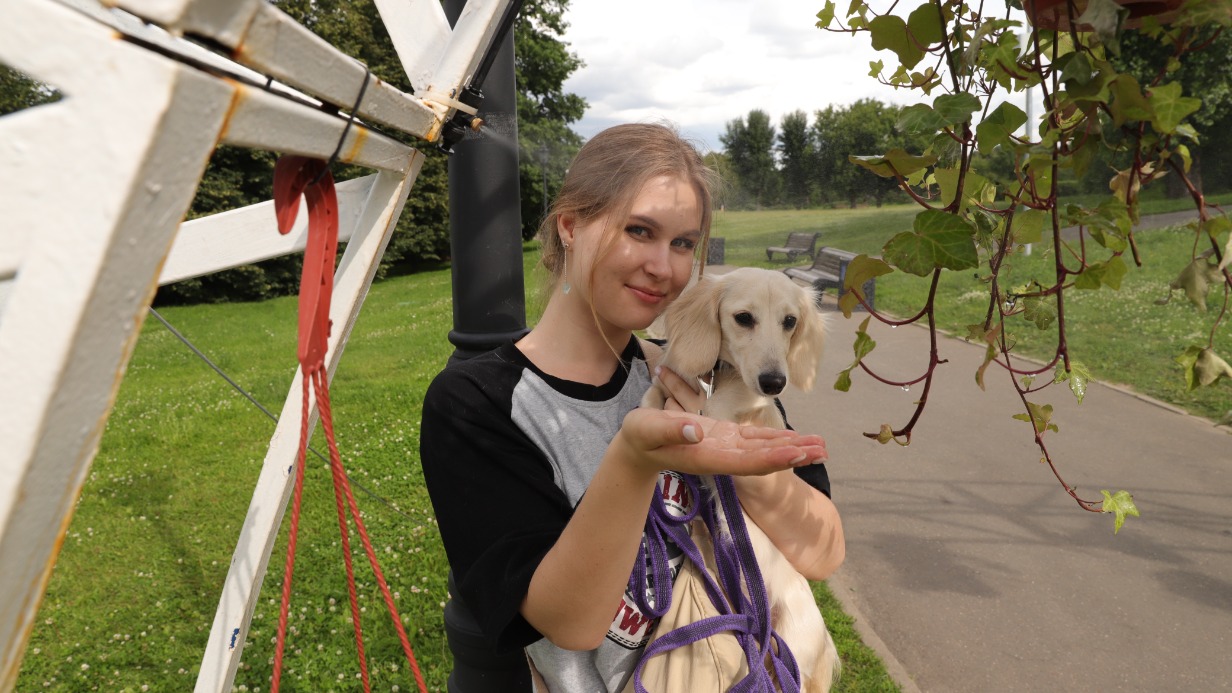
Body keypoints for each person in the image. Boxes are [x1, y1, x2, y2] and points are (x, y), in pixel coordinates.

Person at [419, 122, 844, 692]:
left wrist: (745, 468)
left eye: (683, 243)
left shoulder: (714, 375)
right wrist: (637, 457)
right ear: (570, 226)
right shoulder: (481, 402)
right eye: (639, 231)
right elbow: (571, 622)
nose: (664, 268)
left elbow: (823, 551)